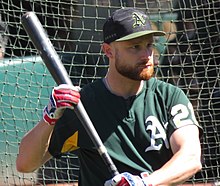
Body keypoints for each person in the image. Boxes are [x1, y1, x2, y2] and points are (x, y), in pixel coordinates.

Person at [16, 7, 202, 186]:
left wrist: (145, 182)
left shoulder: (169, 96)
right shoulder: (84, 104)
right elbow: (25, 164)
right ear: (108, 51)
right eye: (135, 47)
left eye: (149, 45)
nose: (147, 55)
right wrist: (49, 117)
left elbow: (191, 158)